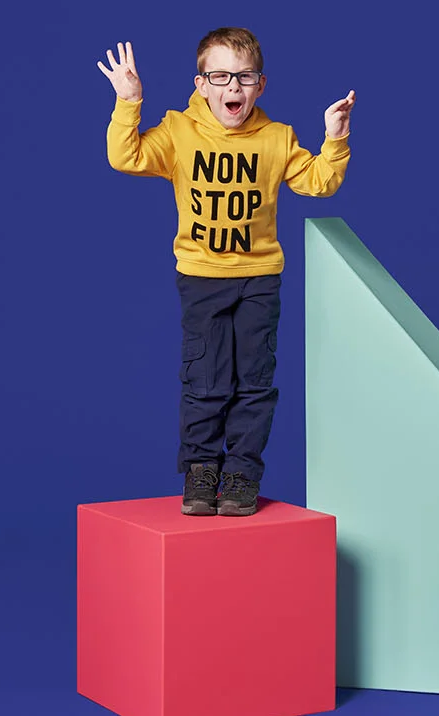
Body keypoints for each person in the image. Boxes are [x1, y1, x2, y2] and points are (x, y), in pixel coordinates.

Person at [98, 28, 355, 517]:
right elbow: (124, 156)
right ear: (201, 84)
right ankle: (201, 470)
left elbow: (319, 182)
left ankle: (241, 474)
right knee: (205, 381)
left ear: (260, 84)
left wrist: (335, 137)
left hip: (260, 279)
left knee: (255, 382)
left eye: (244, 77)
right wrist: (129, 103)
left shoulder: (277, 139)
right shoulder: (178, 133)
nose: (232, 87)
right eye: (220, 76)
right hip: (201, 278)